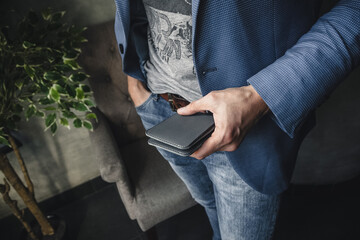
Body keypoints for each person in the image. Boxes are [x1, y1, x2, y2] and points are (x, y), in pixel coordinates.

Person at [114, 0, 360, 239]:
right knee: (208, 203)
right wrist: (135, 85)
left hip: (249, 127)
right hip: (158, 108)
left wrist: (258, 98)